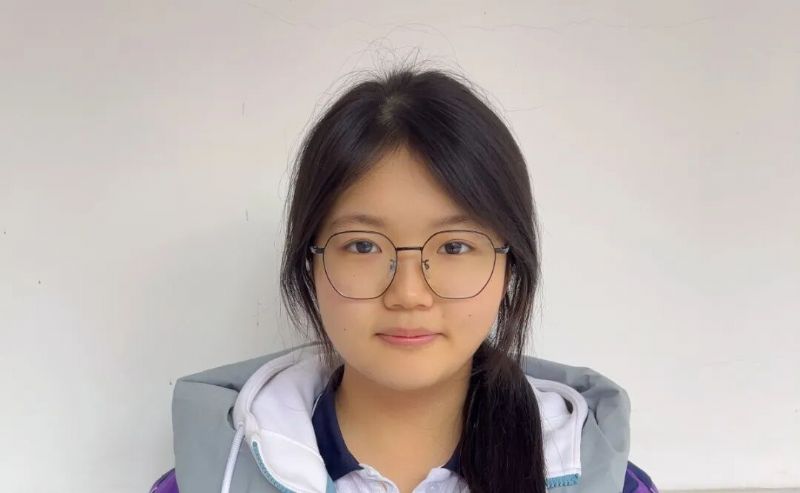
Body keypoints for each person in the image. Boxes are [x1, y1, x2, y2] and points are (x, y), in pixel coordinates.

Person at [150, 66, 658, 493]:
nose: (409, 294)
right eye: (363, 246)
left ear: (510, 266)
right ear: (311, 263)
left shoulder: (606, 480)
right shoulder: (206, 479)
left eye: (455, 247)